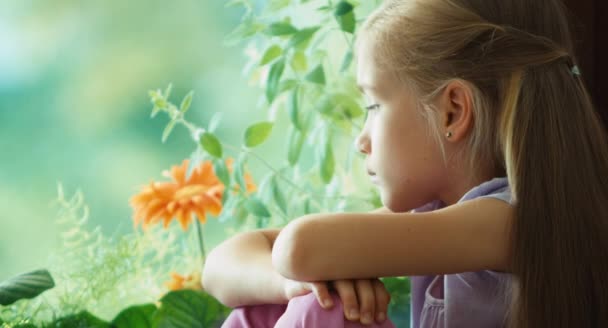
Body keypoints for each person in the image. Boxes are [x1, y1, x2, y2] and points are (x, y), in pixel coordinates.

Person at [203, 0, 608, 327]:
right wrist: (291, 285)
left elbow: (298, 247)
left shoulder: (507, 222)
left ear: (451, 111)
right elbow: (220, 266)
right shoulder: (436, 215)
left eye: (375, 105)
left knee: (323, 308)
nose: (361, 140)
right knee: (287, 304)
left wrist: (316, 279)